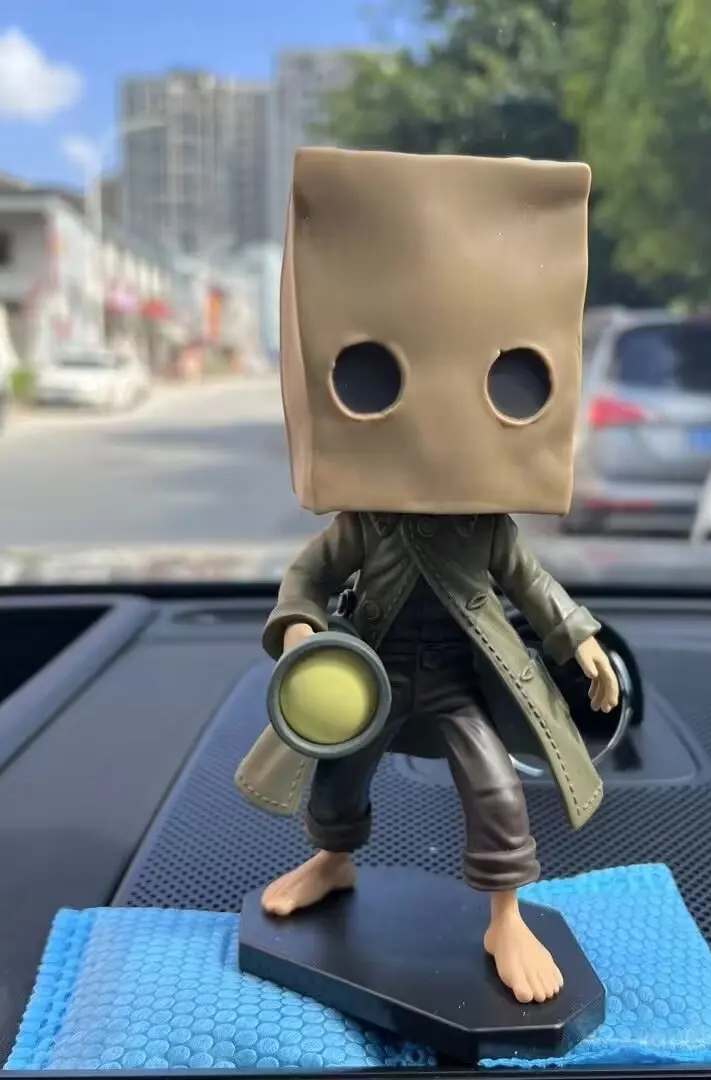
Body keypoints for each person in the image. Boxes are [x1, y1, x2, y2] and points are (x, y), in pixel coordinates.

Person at [235, 147, 619, 1006]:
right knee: (338, 777)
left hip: (456, 680)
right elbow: (308, 573)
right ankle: (332, 860)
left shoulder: (486, 525)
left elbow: (532, 585)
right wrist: (298, 627)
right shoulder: (366, 519)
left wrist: (580, 640)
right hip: (366, 673)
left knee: (494, 788)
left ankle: (505, 915)